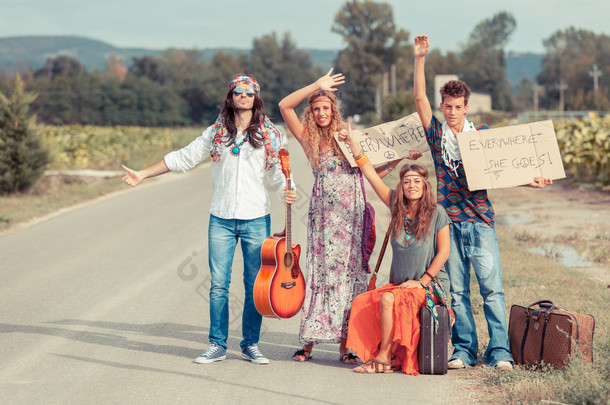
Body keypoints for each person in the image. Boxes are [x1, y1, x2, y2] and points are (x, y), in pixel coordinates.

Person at [121, 73, 297, 365]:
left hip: (256, 218)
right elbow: (183, 158)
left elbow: (282, 173)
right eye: (238, 92)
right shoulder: (216, 132)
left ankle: (250, 344)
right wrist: (143, 174)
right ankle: (217, 344)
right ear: (230, 96)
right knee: (219, 284)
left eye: (249, 93)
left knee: (256, 284)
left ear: (256, 98)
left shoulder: (271, 134)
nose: (243, 96)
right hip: (222, 219)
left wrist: (288, 192)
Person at [413, 35, 552, 371]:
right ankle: (463, 350)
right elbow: (419, 97)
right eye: (446, 106)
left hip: (480, 222)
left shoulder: (482, 136)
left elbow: (499, 172)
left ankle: (500, 351)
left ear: (466, 107)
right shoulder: (436, 136)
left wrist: (529, 180)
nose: (450, 112)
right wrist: (420, 58)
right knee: (459, 292)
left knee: (492, 290)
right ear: (443, 106)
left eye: (457, 107)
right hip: (449, 223)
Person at [278, 69, 400, 364]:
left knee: (349, 277)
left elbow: (371, 172)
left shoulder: (349, 138)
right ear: (312, 112)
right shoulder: (309, 140)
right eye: (316, 108)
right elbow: (284, 106)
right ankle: (308, 343)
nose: (321, 112)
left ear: (334, 110)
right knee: (322, 275)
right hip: (323, 219)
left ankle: (346, 346)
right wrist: (316, 85)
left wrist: (400, 158)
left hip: (353, 218)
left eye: (325, 108)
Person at [339, 124, 451, 375]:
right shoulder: (395, 206)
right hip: (399, 285)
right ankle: (372, 353)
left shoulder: (437, 213)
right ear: (401, 187)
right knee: (363, 301)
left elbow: (444, 252)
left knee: (388, 298)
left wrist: (422, 282)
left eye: (417, 181)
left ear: (425, 186)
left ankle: (384, 358)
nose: (412, 185)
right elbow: (370, 173)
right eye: (407, 181)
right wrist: (352, 144)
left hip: (428, 287)